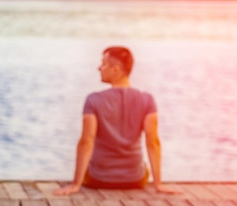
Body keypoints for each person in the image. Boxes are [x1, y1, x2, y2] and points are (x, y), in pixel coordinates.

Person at [54, 46, 179, 196]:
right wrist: (158, 184)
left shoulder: (93, 100)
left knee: (89, 169)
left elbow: (86, 141)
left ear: (116, 69)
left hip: (99, 178)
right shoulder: (147, 100)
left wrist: (75, 185)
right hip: (135, 178)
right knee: (143, 169)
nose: (99, 68)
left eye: (103, 64)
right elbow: (153, 142)